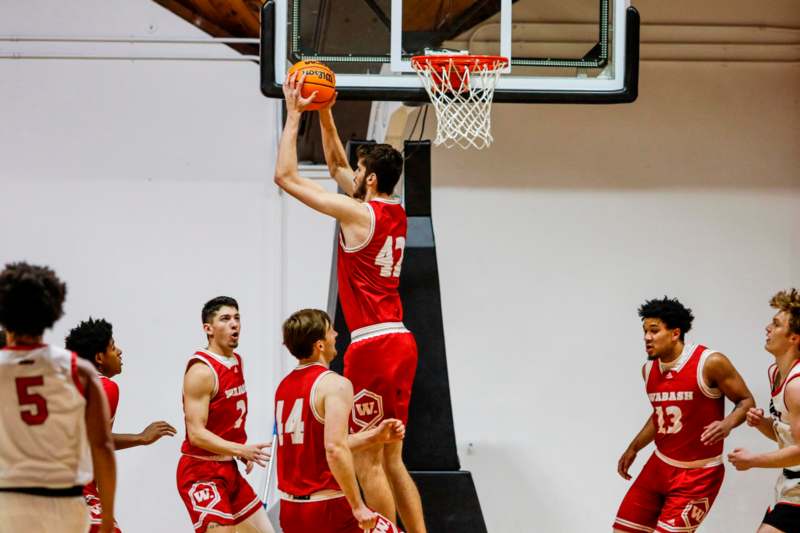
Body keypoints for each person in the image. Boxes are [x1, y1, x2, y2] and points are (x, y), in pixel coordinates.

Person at [274, 73, 426, 533]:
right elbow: (338, 161)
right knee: (393, 453)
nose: (349, 176)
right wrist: (326, 111)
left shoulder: (358, 213)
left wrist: (296, 112)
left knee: (367, 460)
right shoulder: (394, 209)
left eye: (358, 174)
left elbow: (285, 177)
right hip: (400, 340)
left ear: (370, 179)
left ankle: (382, 529)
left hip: (374, 345)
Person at [613, 296, 755, 533]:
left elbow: (746, 400)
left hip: (698, 474)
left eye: (654, 330)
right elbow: (661, 415)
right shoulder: (648, 370)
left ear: (675, 333)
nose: (647, 337)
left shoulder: (709, 362)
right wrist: (634, 447)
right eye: (645, 331)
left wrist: (727, 424)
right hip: (659, 466)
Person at [0, 262, 116, 533]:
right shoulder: (80, 371)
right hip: (65, 501)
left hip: (10, 500)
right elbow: (102, 448)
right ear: (52, 312)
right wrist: (108, 517)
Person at [276, 308, 405, 533]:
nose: (336, 334)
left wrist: (374, 436)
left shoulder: (284, 386)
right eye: (330, 330)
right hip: (328, 508)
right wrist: (358, 506)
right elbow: (334, 449)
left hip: (290, 510)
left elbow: (320, 446)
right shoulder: (335, 384)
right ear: (320, 345)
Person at [65, 318, 177, 532]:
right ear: (99, 357)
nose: (120, 352)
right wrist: (140, 438)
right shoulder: (104, 387)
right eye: (113, 347)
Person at [177, 296, 274, 533]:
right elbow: (197, 435)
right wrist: (241, 449)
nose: (234, 324)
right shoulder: (201, 371)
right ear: (208, 329)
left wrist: (237, 452)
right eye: (225, 319)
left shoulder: (236, 360)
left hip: (227, 468)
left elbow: (224, 417)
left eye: (237, 318)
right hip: (200, 472)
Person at [729, 289, 800, 533]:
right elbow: (789, 435)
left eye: (776, 324)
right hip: (790, 484)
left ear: (794, 338)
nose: (767, 328)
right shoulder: (776, 373)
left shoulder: (796, 386)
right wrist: (763, 423)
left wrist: (753, 461)